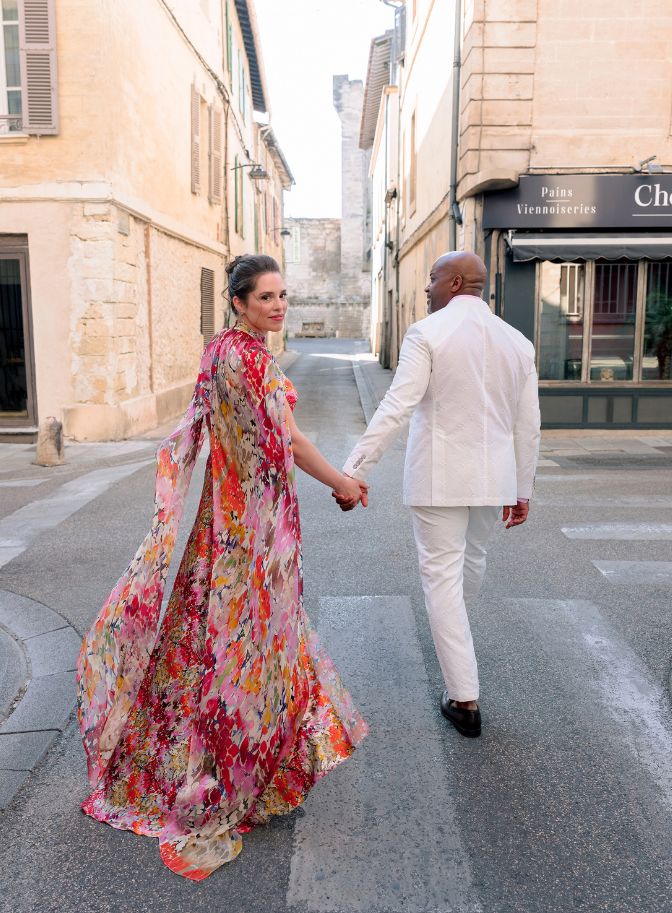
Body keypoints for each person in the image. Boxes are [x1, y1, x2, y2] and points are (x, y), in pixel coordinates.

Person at [77, 254, 369, 880]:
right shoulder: (254, 360)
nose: (279, 305)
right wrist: (342, 482)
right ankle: (240, 774)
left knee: (204, 640)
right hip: (255, 523)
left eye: (283, 295)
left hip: (224, 516)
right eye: (265, 297)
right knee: (249, 647)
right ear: (238, 302)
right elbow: (287, 441)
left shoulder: (217, 354)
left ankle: (189, 758)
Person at [336, 251, 540, 738]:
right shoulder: (519, 342)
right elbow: (527, 426)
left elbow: (398, 404)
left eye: (431, 279)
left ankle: (464, 698)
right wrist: (523, 488)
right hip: (494, 482)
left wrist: (354, 469)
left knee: (443, 579)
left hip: (439, 479)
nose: (426, 288)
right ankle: (457, 648)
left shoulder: (427, 333)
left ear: (453, 283)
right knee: (469, 566)